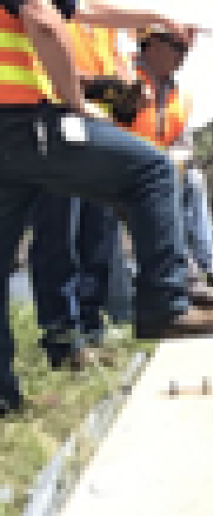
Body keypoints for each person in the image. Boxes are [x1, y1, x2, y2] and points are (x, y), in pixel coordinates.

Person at [0, 0, 213, 418]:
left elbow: (80, 9)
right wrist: (74, 100)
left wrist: (156, 19)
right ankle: (164, 306)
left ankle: (4, 398)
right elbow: (44, 20)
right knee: (152, 171)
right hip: (22, 122)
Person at [25, 19, 128, 370]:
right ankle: (63, 339)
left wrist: (124, 88)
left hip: (96, 129)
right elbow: (42, 56)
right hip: (53, 124)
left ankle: (91, 328)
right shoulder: (52, 11)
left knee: (97, 236)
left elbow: (116, 69)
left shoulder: (103, 24)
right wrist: (93, 84)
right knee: (59, 237)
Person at [130, 24, 213, 287]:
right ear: (151, 45)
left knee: (193, 179)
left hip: (162, 168)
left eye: (186, 50)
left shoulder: (180, 96)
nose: (183, 56)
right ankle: (182, 269)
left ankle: (206, 264)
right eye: (177, 48)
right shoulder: (126, 78)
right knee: (168, 181)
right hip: (126, 169)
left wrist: (180, 157)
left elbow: (182, 141)